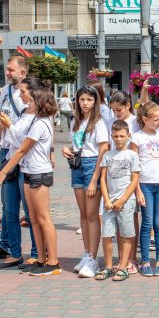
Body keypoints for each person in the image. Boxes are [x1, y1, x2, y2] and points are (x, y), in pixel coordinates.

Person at [0, 80, 62, 276]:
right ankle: (40, 260)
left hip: (40, 172)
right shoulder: (32, 119)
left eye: (28, 97)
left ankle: (53, 262)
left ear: (37, 101)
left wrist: (2, 172)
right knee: (33, 218)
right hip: (28, 171)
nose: (24, 99)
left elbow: (22, 148)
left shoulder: (41, 122)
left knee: (43, 218)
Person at [0, 56, 39, 270]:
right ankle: (14, 252)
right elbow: (1, 123)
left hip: (23, 153)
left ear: (22, 73)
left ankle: (36, 253)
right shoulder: (5, 92)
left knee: (29, 207)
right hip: (6, 152)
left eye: (11, 70)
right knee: (9, 207)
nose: (7, 73)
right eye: (7, 69)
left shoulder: (30, 96)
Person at [61, 85, 109, 278]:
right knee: (83, 213)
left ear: (95, 102)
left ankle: (93, 259)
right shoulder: (75, 122)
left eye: (89, 100)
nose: (85, 103)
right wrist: (67, 150)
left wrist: (94, 179)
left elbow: (103, 150)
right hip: (78, 165)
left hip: (92, 166)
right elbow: (76, 145)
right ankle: (87, 253)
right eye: (82, 99)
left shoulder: (98, 122)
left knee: (92, 214)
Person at [96, 120, 140, 281]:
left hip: (126, 202)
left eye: (122, 136)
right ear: (111, 136)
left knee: (126, 235)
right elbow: (103, 179)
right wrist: (106, 199)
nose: (119, 139)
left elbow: (134, 180)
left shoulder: (132, 155)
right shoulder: (108, 155)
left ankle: (123, 266)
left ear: (128, 136)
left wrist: (122, 200)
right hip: (109, 202)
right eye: (116, 136)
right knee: (107, 234)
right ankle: (108, 266)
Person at [133, 101, 159, 276]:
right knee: (147, 223)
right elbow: (133, 166)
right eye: (155, 119)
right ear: (145, 119)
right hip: (145, 185)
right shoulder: (137, 137)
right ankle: (145, 260)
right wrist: (137, 189)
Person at [108, 90, 141, 272]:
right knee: (119, 218)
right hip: (115, 175)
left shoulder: (135, 122)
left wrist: (143, 89)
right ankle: (122, 258)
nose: (116, 114)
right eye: (113, 110)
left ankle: (132, 258)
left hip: (131, 174)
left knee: (131, 217)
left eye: (119, 110)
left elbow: (143, 102)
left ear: (128, 105)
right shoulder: (112, 123)